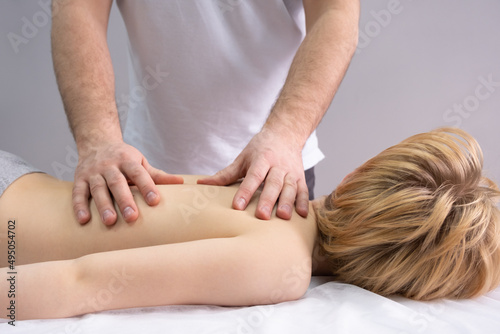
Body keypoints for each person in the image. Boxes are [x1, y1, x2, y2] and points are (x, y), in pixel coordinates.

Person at [1, 128, 499, 320]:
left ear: (353, 178)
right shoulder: (277, 264)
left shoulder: (274, 185)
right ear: (405, 286)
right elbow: (81, 282)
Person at [50, 0, 360, 225]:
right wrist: (98, 141)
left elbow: (336, 12)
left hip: (274, 170)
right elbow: (77, 9)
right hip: (139, 176)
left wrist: (286, 134)